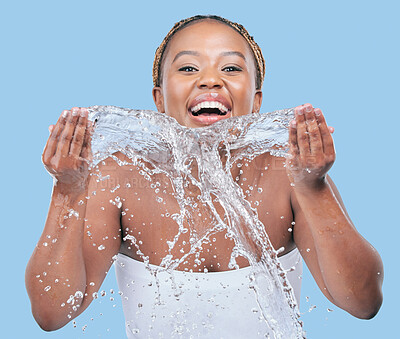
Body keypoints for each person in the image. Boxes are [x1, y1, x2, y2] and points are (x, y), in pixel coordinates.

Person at [26, 14, 383, 338]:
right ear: (159, 99)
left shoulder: (289, 175)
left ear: (256, 101)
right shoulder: (118, 179)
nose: (210, 80)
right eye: (187, 69)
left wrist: (314, 188)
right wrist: (67, 192)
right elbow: (52, 312)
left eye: (230, 69)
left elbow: (363, 302)